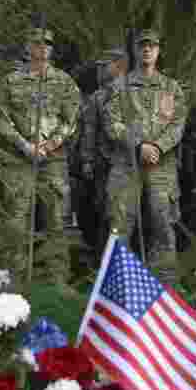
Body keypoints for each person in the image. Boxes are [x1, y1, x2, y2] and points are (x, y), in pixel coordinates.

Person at [0, 27, 81, 285]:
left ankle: (57, 280)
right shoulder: (11, 81)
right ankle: (14, 279)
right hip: (19, 157)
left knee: (56, 218)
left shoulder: (64, 82)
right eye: (37, 43)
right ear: (28, 47)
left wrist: (50, 144)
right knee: (16, 217)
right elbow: (0, 117)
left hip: (52, 159)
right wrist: (24, 145)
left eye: (47, 43)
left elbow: (72, 118)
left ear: (52, 49)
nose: (42, 47)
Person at [103, 29, 187, 283]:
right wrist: (138, 145)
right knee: (120, 223)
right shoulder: (120, 87)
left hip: (161, 166)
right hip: (126, 163)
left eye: (152, 46)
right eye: (143, 46)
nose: (147, 50)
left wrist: (158, 147)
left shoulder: (171, 88)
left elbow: (178, 124)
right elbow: (111, 123)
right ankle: (119, 284)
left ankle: (165, 284)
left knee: (163, 221)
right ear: (136, 51)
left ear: (159, 51)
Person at [74, 46, 129, 264]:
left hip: (128, 164)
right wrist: (87, 160)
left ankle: (120, 261)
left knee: (123, 214)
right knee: (103, 212)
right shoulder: (98, 97)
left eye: (104, 66)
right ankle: (103, 261)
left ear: (119, 66)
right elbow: (89, 131)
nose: (100, 71)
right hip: (103, 164)